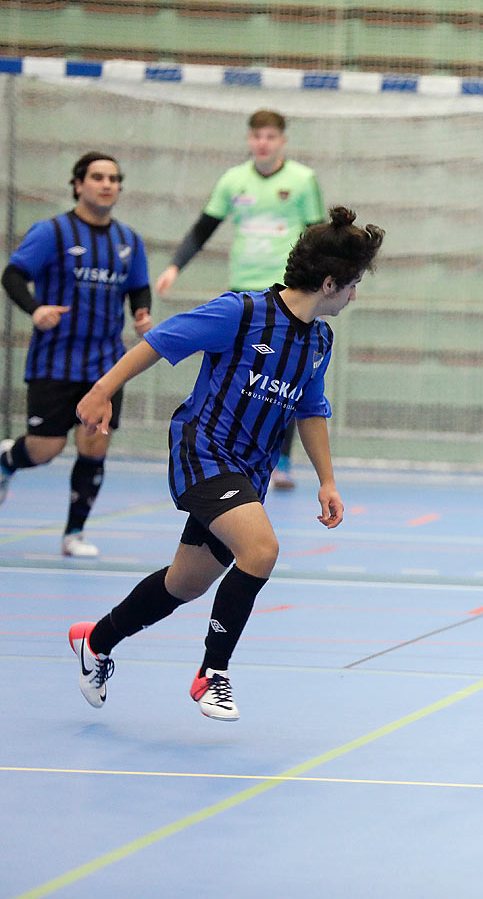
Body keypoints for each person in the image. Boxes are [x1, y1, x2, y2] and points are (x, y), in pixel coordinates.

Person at [66, 206, 384, 722]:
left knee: (184, 584)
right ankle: (212, 673)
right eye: (352, 285)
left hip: (249, 472)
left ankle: (95, 641)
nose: (354, 295)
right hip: (205, 450)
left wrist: (327, 479)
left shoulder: (319, 340)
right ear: (329, 282)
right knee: (261, 548)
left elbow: (310, 407)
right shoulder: (241, 313)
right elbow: (158, 341)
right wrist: (102, 390)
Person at [155, 108, 325, 490]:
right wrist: (174, 267)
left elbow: (318, 236)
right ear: (249, 140)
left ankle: (281, 459)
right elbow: (204, 227)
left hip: (286, 293)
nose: (262, 143)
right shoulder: (234, 180)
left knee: (283, 377)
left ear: (281, 141)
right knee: (234, 375)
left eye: (269, 137)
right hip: (243, 295)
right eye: (256, 136)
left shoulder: (302, 180)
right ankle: (216, 446)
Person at [0, 152, 152, 558]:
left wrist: (141, 312)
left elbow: (138, 286)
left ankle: (74, 534)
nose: (107, 184)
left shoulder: (128, 240)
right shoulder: (52, 232)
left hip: (105, 365)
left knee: (94, 445)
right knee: (44, 449)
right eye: (98, 177)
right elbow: (13, 275)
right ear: (78, 184)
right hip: (55, 360)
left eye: (114, 178)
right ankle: (7, 460)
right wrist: (36, 309)